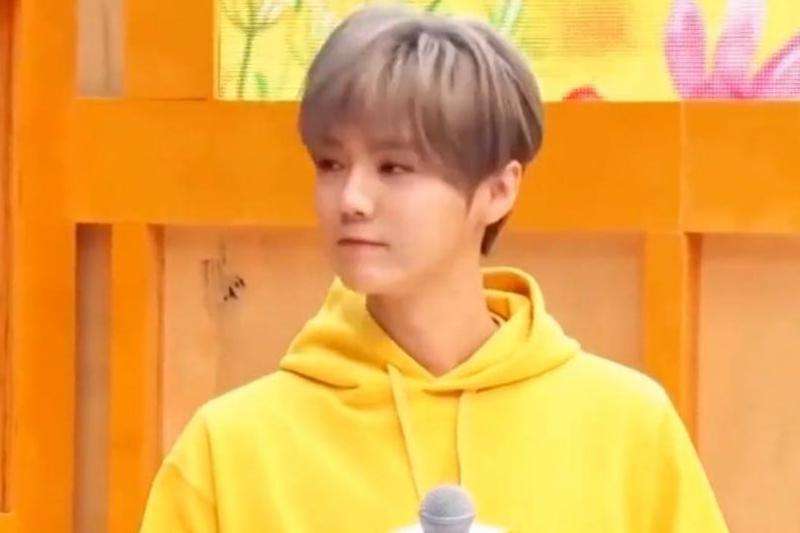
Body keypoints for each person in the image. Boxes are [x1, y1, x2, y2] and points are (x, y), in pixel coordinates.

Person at [139, 3, 730, 531]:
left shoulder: (627, 429)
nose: (352, 199)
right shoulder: (229, 450)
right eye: (330, 164)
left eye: (394, 167)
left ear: (497, 190)